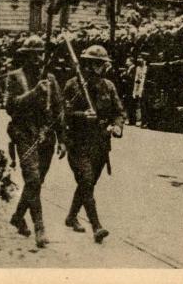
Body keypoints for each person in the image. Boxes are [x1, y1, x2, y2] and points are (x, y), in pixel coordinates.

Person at [4, 35, 65, 248]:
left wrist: (62, 139)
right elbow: (11, 106)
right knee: (32, 179)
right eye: (35, 55)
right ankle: (39, 227)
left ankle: (18, 215)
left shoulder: (51, 79)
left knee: (37, 181)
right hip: (23, 133)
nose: (39, 58)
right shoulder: (14, 77)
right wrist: (33, 93)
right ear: (26, 57)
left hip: (46, 136)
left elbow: (58, 109)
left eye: (41, 54)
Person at [62, 44, 122, 243]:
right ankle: (97, 226)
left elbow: (119, 112)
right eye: (95, 64)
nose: (100, 68)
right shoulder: (73, 85)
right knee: (86, 181)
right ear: (86, 64)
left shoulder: (109, 86)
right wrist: (81, 115)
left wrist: (117, 126)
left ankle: (71, 217)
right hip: (78, 142)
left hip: (100, 145)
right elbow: (63, 114)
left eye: (102, 65)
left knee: (88, 184)